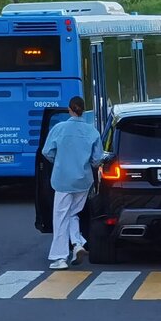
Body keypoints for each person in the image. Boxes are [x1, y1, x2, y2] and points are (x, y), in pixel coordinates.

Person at [41, 96, 103, 270]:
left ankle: (60, 257)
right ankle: (77, 244)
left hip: (62, 180)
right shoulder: (92, 132)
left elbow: (47, 152)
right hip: (83, 181)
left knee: (60, 217)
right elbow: (97, 160)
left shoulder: (59, 128)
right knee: (73, 214)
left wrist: (60, 162)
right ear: (84, 110)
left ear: (69, 109)